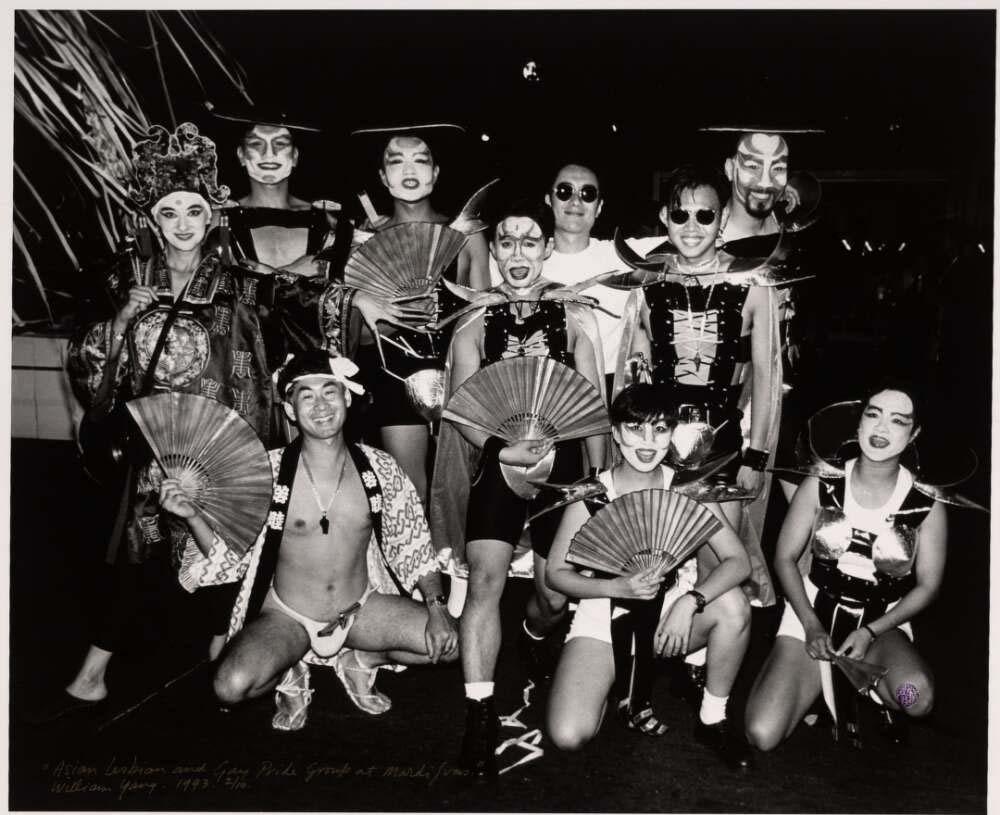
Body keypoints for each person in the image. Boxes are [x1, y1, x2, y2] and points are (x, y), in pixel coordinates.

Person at [57, 122, 273, 718]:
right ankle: (93, 673)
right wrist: (122, 321)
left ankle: (223, 657)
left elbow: (305, 302)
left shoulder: (240, 283)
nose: (182, 223)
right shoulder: (122, 280)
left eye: (194, 211)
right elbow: (89, 360)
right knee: (136, 552)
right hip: (150, 445)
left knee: (221, 545)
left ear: (212, 218)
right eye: (169, 212)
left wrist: (355, 300)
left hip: (221, 436)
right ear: (151, 219)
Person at [173, 348, 458, 730]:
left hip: (358, 609)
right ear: (290, 409)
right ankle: (288, 668)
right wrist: (192, 515)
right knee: (230, 687)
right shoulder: (266, 472)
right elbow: (229, 556)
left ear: (347, 398)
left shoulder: (380, 468)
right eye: (306, 396)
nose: (320, 406)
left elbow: (415, 547)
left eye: (329, 392)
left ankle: (361, 660)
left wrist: (437, 609)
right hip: (286, 614)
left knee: (450, 644)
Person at [435, 201, 606, 777]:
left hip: (565, 465)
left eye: (529, 241)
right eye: (506, 242)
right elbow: (460, 407)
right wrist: (498, 449)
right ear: (493, 251)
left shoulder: (575, 313)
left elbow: (594, 408)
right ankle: (479, 714)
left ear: (547, 249)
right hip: (499, 458)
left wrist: (598, 484)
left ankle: (534, 632)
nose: (517, 252)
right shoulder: (474, 319)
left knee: (555, 595)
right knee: (484, 582)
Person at [543, 383, 752, 769]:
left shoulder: (686, 488)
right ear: (616, 432)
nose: (647, 441)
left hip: (668, 618)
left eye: (659, 429)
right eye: (635, 428)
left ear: (672, 434)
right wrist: (614, 586)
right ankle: (613, 682)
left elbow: (738, 562)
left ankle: (712, 717)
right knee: (568, 735)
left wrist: (690, 602)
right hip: (603, 619)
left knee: (733, 605)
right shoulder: (593, 493)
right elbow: (556, 574)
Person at [744, 382, 950, 751]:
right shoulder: (822, 482)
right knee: (762, 733)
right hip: (812, 614)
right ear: (858, 422)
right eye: (874, 414)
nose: (882, 428)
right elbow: (784, 558)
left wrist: (870, 631)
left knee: (915, 698)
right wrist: (810, 624)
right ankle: (811, 679)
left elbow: (928, 587)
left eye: (898, 420)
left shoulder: (925, 503)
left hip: (880, 624)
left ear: (914, 433)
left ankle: (874, 691)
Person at [615, 164, 783, 606]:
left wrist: (758, 455)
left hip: (723, 444)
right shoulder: (647, 283)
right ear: (665, 218)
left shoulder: (753, 283)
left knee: (719, 571)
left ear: (722, 219)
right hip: (657, 441)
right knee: (651, 560)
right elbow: (636, 375)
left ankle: (698, 642)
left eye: (704, 215)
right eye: (680, 214)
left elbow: (767, 375)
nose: (692, 226)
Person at [321, 124, 489, 502]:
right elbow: (355, 337)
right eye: (397, 162)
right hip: (391, 372)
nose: (409, 170)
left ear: (436, 172)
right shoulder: (363, 240)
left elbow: (485, 315)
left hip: (457, 369)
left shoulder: (466, 234)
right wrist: (386, 315)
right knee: (409, 489)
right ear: (383, 176)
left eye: (420, 160)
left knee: (460, 491)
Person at [489, 162, 661, 391]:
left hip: (612, 390)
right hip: (537, 388)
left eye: (588, 194)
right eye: (564, 191)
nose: (576, 201)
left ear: (599, 207)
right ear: (548, 201)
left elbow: (692, 237)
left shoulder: (624, 256)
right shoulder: (516, 260)